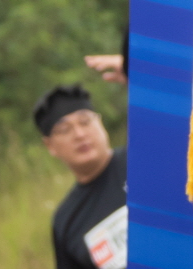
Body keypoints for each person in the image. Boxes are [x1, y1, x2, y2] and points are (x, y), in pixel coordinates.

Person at [36, 84, 127, 269]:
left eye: (85, 122)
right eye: (64, 129)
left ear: (100, 122)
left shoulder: (141, 161)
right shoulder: (66, 221)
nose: (79, 134)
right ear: (50, 145)